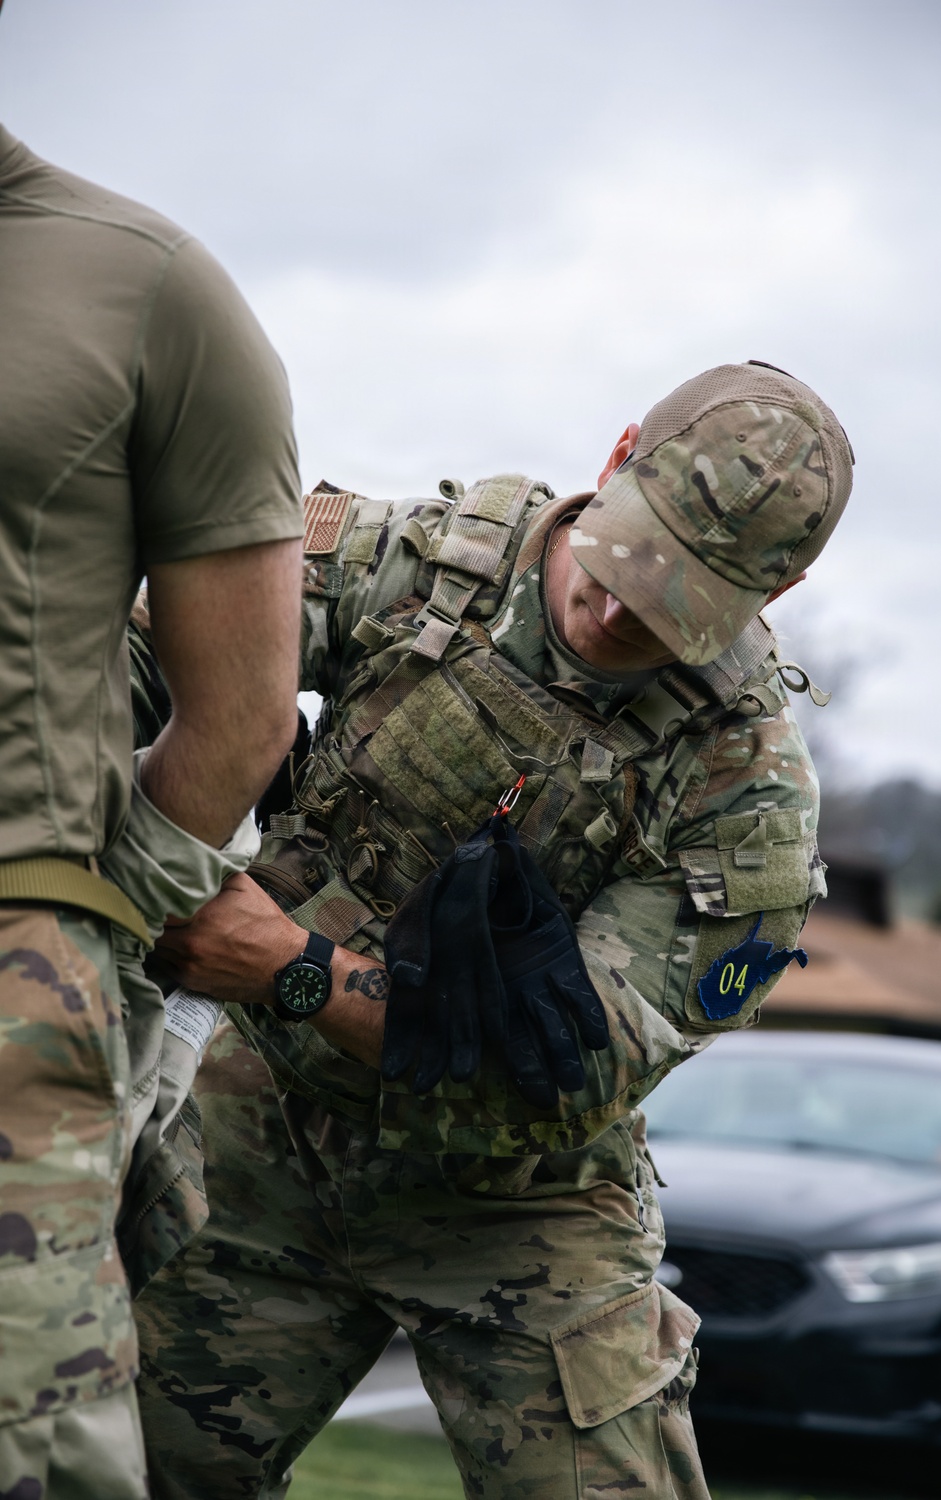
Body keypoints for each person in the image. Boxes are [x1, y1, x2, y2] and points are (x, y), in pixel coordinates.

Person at [133, 361, 853, 1499]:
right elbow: (142, 656)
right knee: (106, 1464)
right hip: (259, 1134)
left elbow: (568, 1075)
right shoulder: (419, 563)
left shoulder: (743, 793)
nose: (617, 614)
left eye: (684, 601)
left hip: (521, 1205)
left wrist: (287, 966)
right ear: (616, 457)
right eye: (630, 559)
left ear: (783, 585)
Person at [0, 123, 305, 1499]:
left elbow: (241, 716)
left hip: (16, 947)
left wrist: (97, 936)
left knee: (31, 1439)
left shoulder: (145, 287)